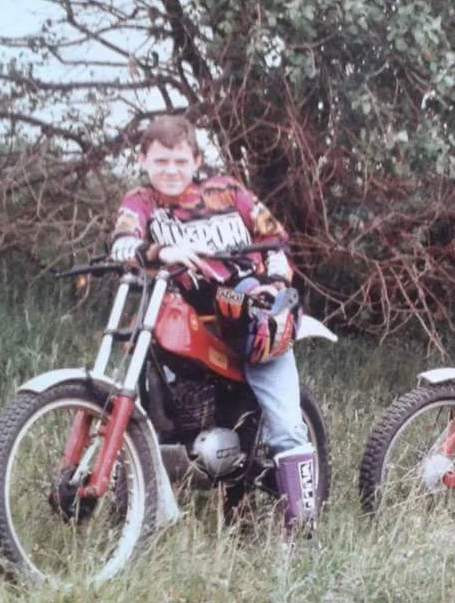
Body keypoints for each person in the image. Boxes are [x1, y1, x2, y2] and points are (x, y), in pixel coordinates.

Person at [109, 114, 316, 534]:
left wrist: (273, 289)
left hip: (249, 319)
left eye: (180, 161)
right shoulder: (141, 202)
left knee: (287, 427)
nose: (171, 170)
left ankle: (304, 534)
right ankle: (135, 512)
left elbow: (275, 240)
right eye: (161, 160)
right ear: (143, 159)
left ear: (197, 160)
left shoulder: (226, 191)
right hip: (185, 323)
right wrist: (157, 251)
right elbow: (122, 242)